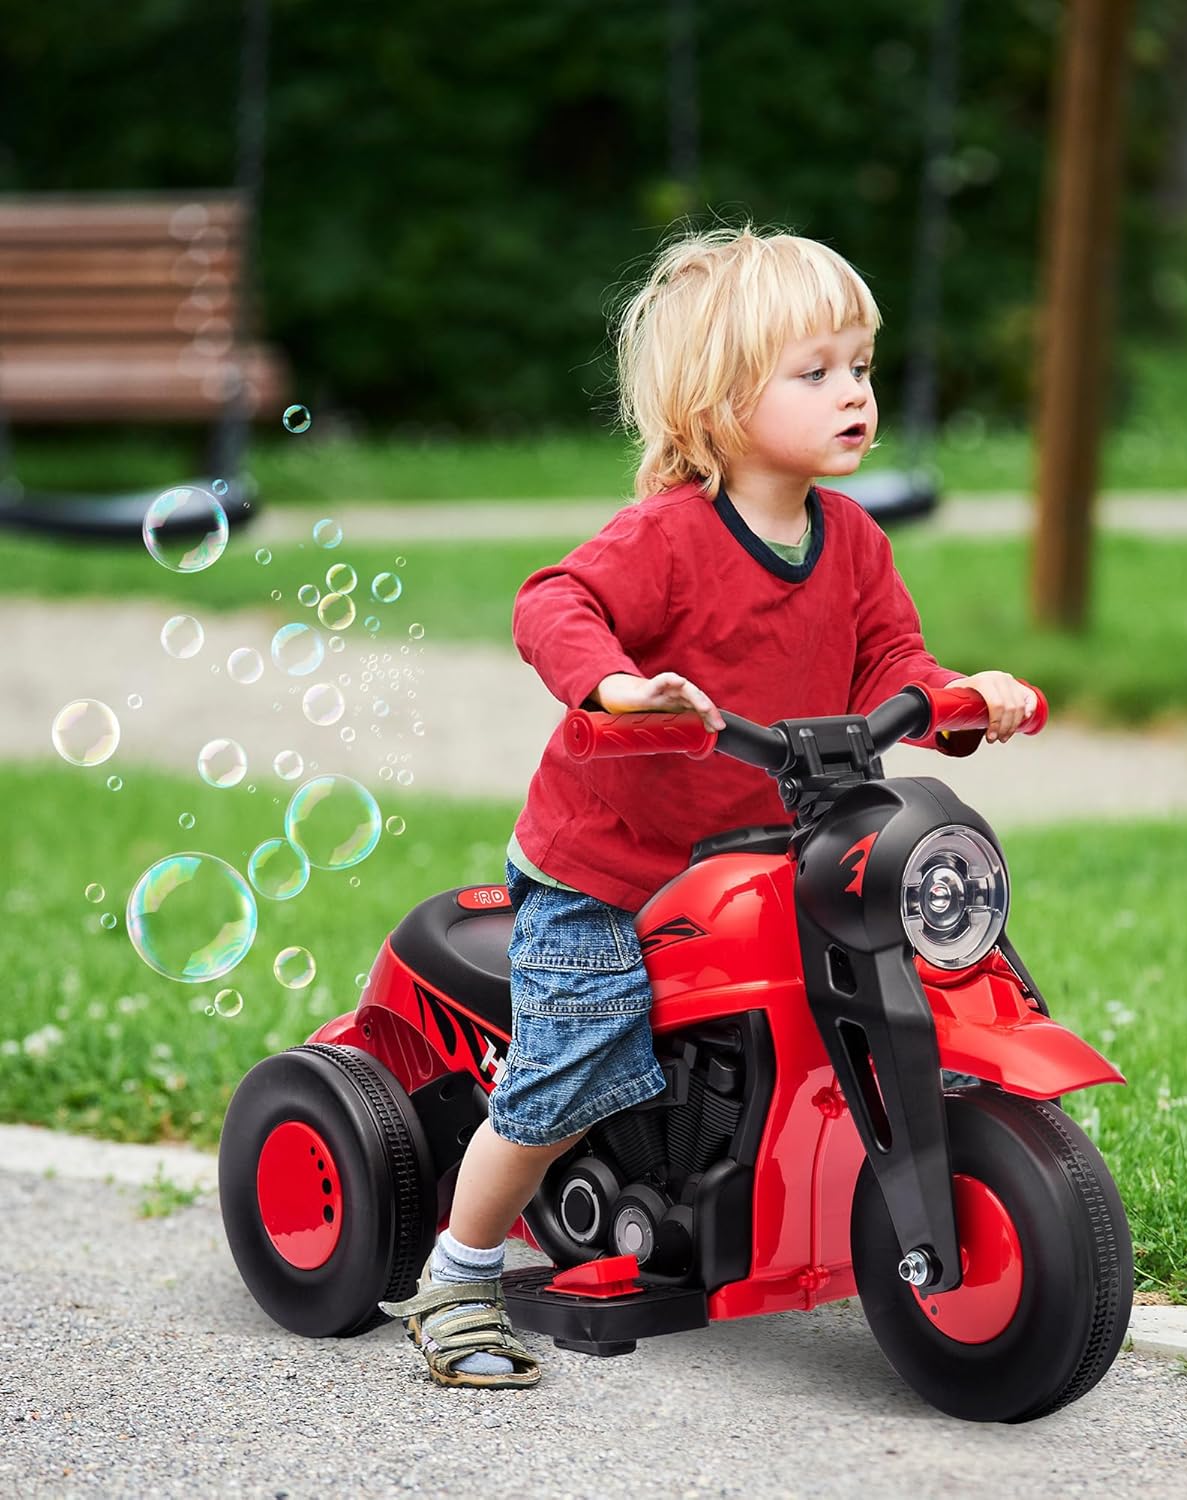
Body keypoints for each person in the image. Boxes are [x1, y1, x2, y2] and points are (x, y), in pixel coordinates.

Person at [380, 223, 1036, 1388]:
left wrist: (963, 699)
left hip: (773, 854)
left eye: (862, 367)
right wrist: (617, 686)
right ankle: (462, 1273)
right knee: (567, 1071)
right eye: (815, 371)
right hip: (613, 871)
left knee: (939, 961)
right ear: (723, 405)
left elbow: (899, 667)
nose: (854, 394)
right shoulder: (670, 541)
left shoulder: (853, 543)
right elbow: (555, 600)